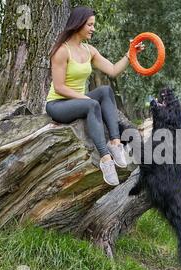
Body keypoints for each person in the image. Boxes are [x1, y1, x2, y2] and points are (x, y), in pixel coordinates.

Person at [46, 6, 145, 186]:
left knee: (106, 90)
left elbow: (113, 71)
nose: (93, 28)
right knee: (92, 104)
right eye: (90, 25)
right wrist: (85, 99)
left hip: (77, 101)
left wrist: (131, 54)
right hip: (58, 104)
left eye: (94, 25)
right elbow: (59, 87)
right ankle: (106, 159)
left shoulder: (89, 50)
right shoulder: (62, 51)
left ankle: (115, 143)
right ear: (79, 24)